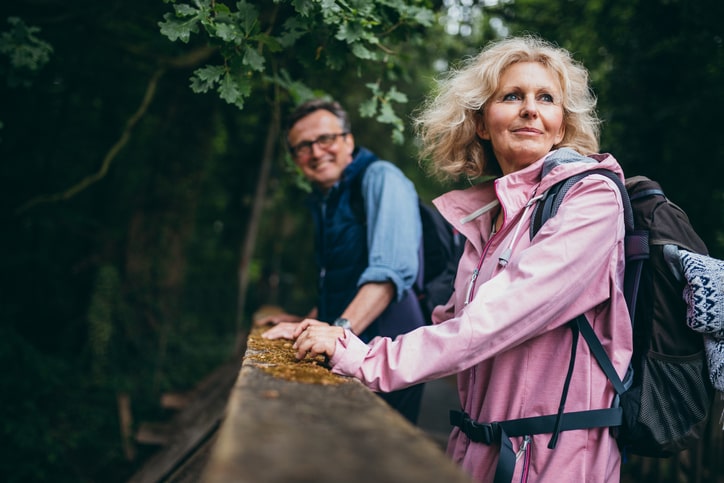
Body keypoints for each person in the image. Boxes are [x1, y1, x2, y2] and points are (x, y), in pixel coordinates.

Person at [291, 36, 633, 482]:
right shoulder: (487, 217)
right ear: (482, 124)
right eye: (512, 96)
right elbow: (450, 323)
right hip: (476, 451)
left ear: (561, 125)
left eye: (546, 98)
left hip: (555, 459)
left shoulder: (592, 198)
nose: (530, 108)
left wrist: (364, 357)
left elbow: (501, 315)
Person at [256, 99, 427, 424]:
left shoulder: (381, 178)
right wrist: (306, 321)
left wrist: (337, 332)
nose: (317, 152)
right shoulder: (325, 201)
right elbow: (341, 278)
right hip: (348, 346)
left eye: (326, 139)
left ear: (348, 140)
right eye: (303, 147)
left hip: (387, 354)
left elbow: (388, 275)